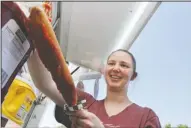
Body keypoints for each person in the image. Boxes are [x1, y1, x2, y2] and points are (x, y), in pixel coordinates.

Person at [27, 49, 161, 128]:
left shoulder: (146, 117)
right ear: (104, 71)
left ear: (133, 76)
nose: (116, 68)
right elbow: (46, 83)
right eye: (111, 63)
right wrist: (32, 38)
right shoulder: (85, 101)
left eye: (124, 65)